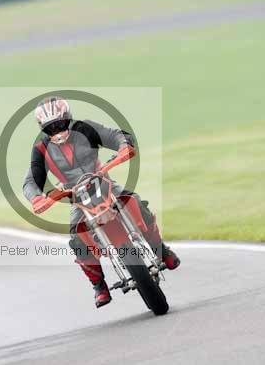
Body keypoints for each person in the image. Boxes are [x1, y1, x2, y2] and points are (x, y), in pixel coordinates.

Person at [23, 97, 180, 308]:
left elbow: (114, 135)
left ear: (68, 118)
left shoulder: (85, 128)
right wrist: (36, 197)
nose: (57, 130)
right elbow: (31, 180)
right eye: (51, 127)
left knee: (135, 201)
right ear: (43, 128)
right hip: (76, 197)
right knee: (76, 236)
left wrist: (124, 145)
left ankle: (161, 250)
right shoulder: (40, 149)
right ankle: (99, 286)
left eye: (60, 124)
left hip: (104, 182)